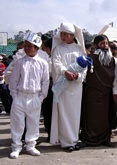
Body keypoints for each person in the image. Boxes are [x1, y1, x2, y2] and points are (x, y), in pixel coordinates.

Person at [9, 31, 49, 159]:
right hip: (20, 96)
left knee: (33, 122)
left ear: (36, 48)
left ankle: (31, 145)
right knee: (17, 123)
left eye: (29, 46)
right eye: (25, 45)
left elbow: (45, 81)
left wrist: (41, 97)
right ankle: (16, 146)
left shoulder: (43, 63)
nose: (26, 48)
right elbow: (14, 80)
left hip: (34, 97)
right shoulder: (20, 62)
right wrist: (14, 96)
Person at [50, 23, 86, 152]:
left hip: (76, 87)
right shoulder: (58, 49)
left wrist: (78, 76)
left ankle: (74, 139)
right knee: (64, 113)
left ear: (72, 35)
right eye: (62, 34)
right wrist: (66, 72)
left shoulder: (79, 49)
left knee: (75, 113)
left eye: (66, 34)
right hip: (63, 85)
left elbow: (84, 66)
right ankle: (66, 142)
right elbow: (56, 64)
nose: (63, 36)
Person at [80, 34, 116, 147]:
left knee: (105, 118)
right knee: (91, 117)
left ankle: (105, 138)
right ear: (96, 45)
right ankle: (87, 139)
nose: (105, 46)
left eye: (106, 43)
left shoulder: (113, 60)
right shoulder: (90, 58)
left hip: (107, 94)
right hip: (93, 94)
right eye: (102, 44)